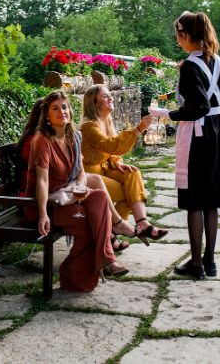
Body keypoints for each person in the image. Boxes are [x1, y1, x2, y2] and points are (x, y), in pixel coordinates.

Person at [150, 11, 220, 280]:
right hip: (217, 132)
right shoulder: (219, 62)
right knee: (211, 201)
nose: (177, 41)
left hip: (198, 135)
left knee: (195, 200)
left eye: (178, 36)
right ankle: (210, 261)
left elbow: (198, 107)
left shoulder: (189, 66)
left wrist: (167, 113)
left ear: (185, 35)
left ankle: (196, 263)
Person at [25, 91, 129, 292]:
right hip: (47, 204)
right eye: (55, 108)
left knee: (99, 196)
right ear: (47, 115)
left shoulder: (72, 136)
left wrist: (80, 188)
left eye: (64, 107)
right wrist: (43, 214)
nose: (61, 111)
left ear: (70, 111)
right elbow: (42, 181)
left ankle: (105, 260)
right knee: (90, 224)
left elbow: (81, 172)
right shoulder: (42, 141)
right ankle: (78, 274)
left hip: (67, 196)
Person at [17, 98, 136, 252]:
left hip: (59, 186)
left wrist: (77, 162)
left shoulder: (55, 137)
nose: (60, 114)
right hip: (39, 195)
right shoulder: (37, 141)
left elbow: (64, 170)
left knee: (95, 181)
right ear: (43, 116)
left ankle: (114, 228)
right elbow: (48, 177)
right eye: (53, 110)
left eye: (63, 108)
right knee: (92, 200)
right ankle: (111, 236)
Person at [80, 84, 169, 244]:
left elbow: (111, 152)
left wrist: (116, 162)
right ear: (94, 103)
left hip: (104, 169)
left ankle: (142, 223)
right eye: (105, 96)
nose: (110, 98)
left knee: (132, 174)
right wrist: (138, 130)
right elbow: (111, 145)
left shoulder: (106, 121)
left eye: (109, 94)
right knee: (129, 192)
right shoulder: (89, 126)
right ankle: (111, 230)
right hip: (89, 176)